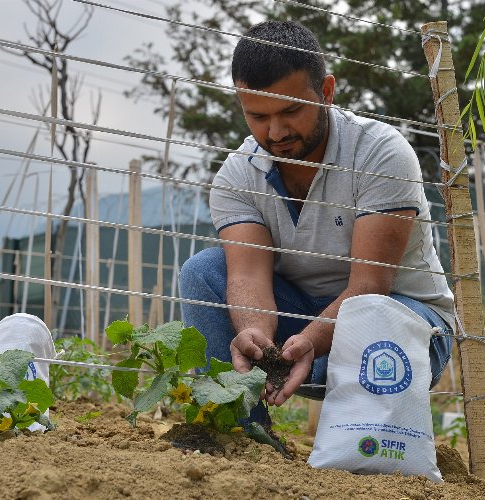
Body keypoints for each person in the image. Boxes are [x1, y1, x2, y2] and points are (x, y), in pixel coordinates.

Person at [178, 20, 455, 422]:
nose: (275, 132)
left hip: (401, 330)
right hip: (299, 335)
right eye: (257, 116)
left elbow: (369, 288)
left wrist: (310, 341)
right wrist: (255, 333)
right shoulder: (238, 175)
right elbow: (248, 277)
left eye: (291, 111)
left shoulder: (379, 152)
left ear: (326, 91)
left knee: (378, 319)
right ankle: (241, 432)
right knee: (203, 272)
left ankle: (364, 445)